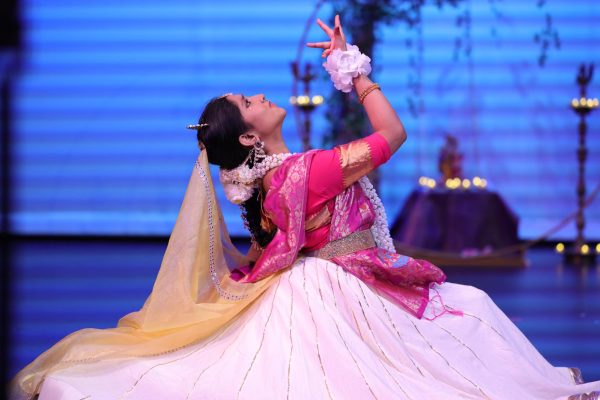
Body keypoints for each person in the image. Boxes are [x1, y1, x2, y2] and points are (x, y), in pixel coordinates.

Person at [10, 16, 600, 400]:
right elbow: (391, 137)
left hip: (322, 283)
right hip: (346, 287)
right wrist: (355, 74)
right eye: (248, 101)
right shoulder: (309, 171)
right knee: (466, 313)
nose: (260, 94)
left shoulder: (271, 182)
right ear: (248, 137)